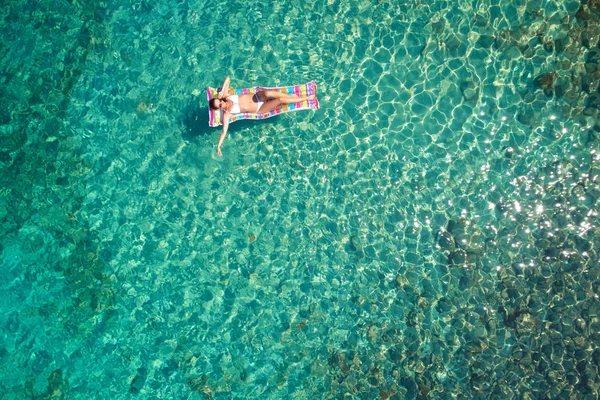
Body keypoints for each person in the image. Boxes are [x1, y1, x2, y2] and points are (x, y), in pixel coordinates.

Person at [209, 76, 316, 156]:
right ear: (219, 108)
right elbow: (224, 131)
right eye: (219, 106)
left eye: (219, 102)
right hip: (260, 109)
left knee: (269, 93)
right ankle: (306, 98)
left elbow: (228, 78)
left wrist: (222, 91)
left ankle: (291, 96)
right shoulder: (227, 114)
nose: (222, 104)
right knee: (279, 100)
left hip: (257, 96)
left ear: (219, 99)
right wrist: (219, 146)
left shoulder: (226, 96)